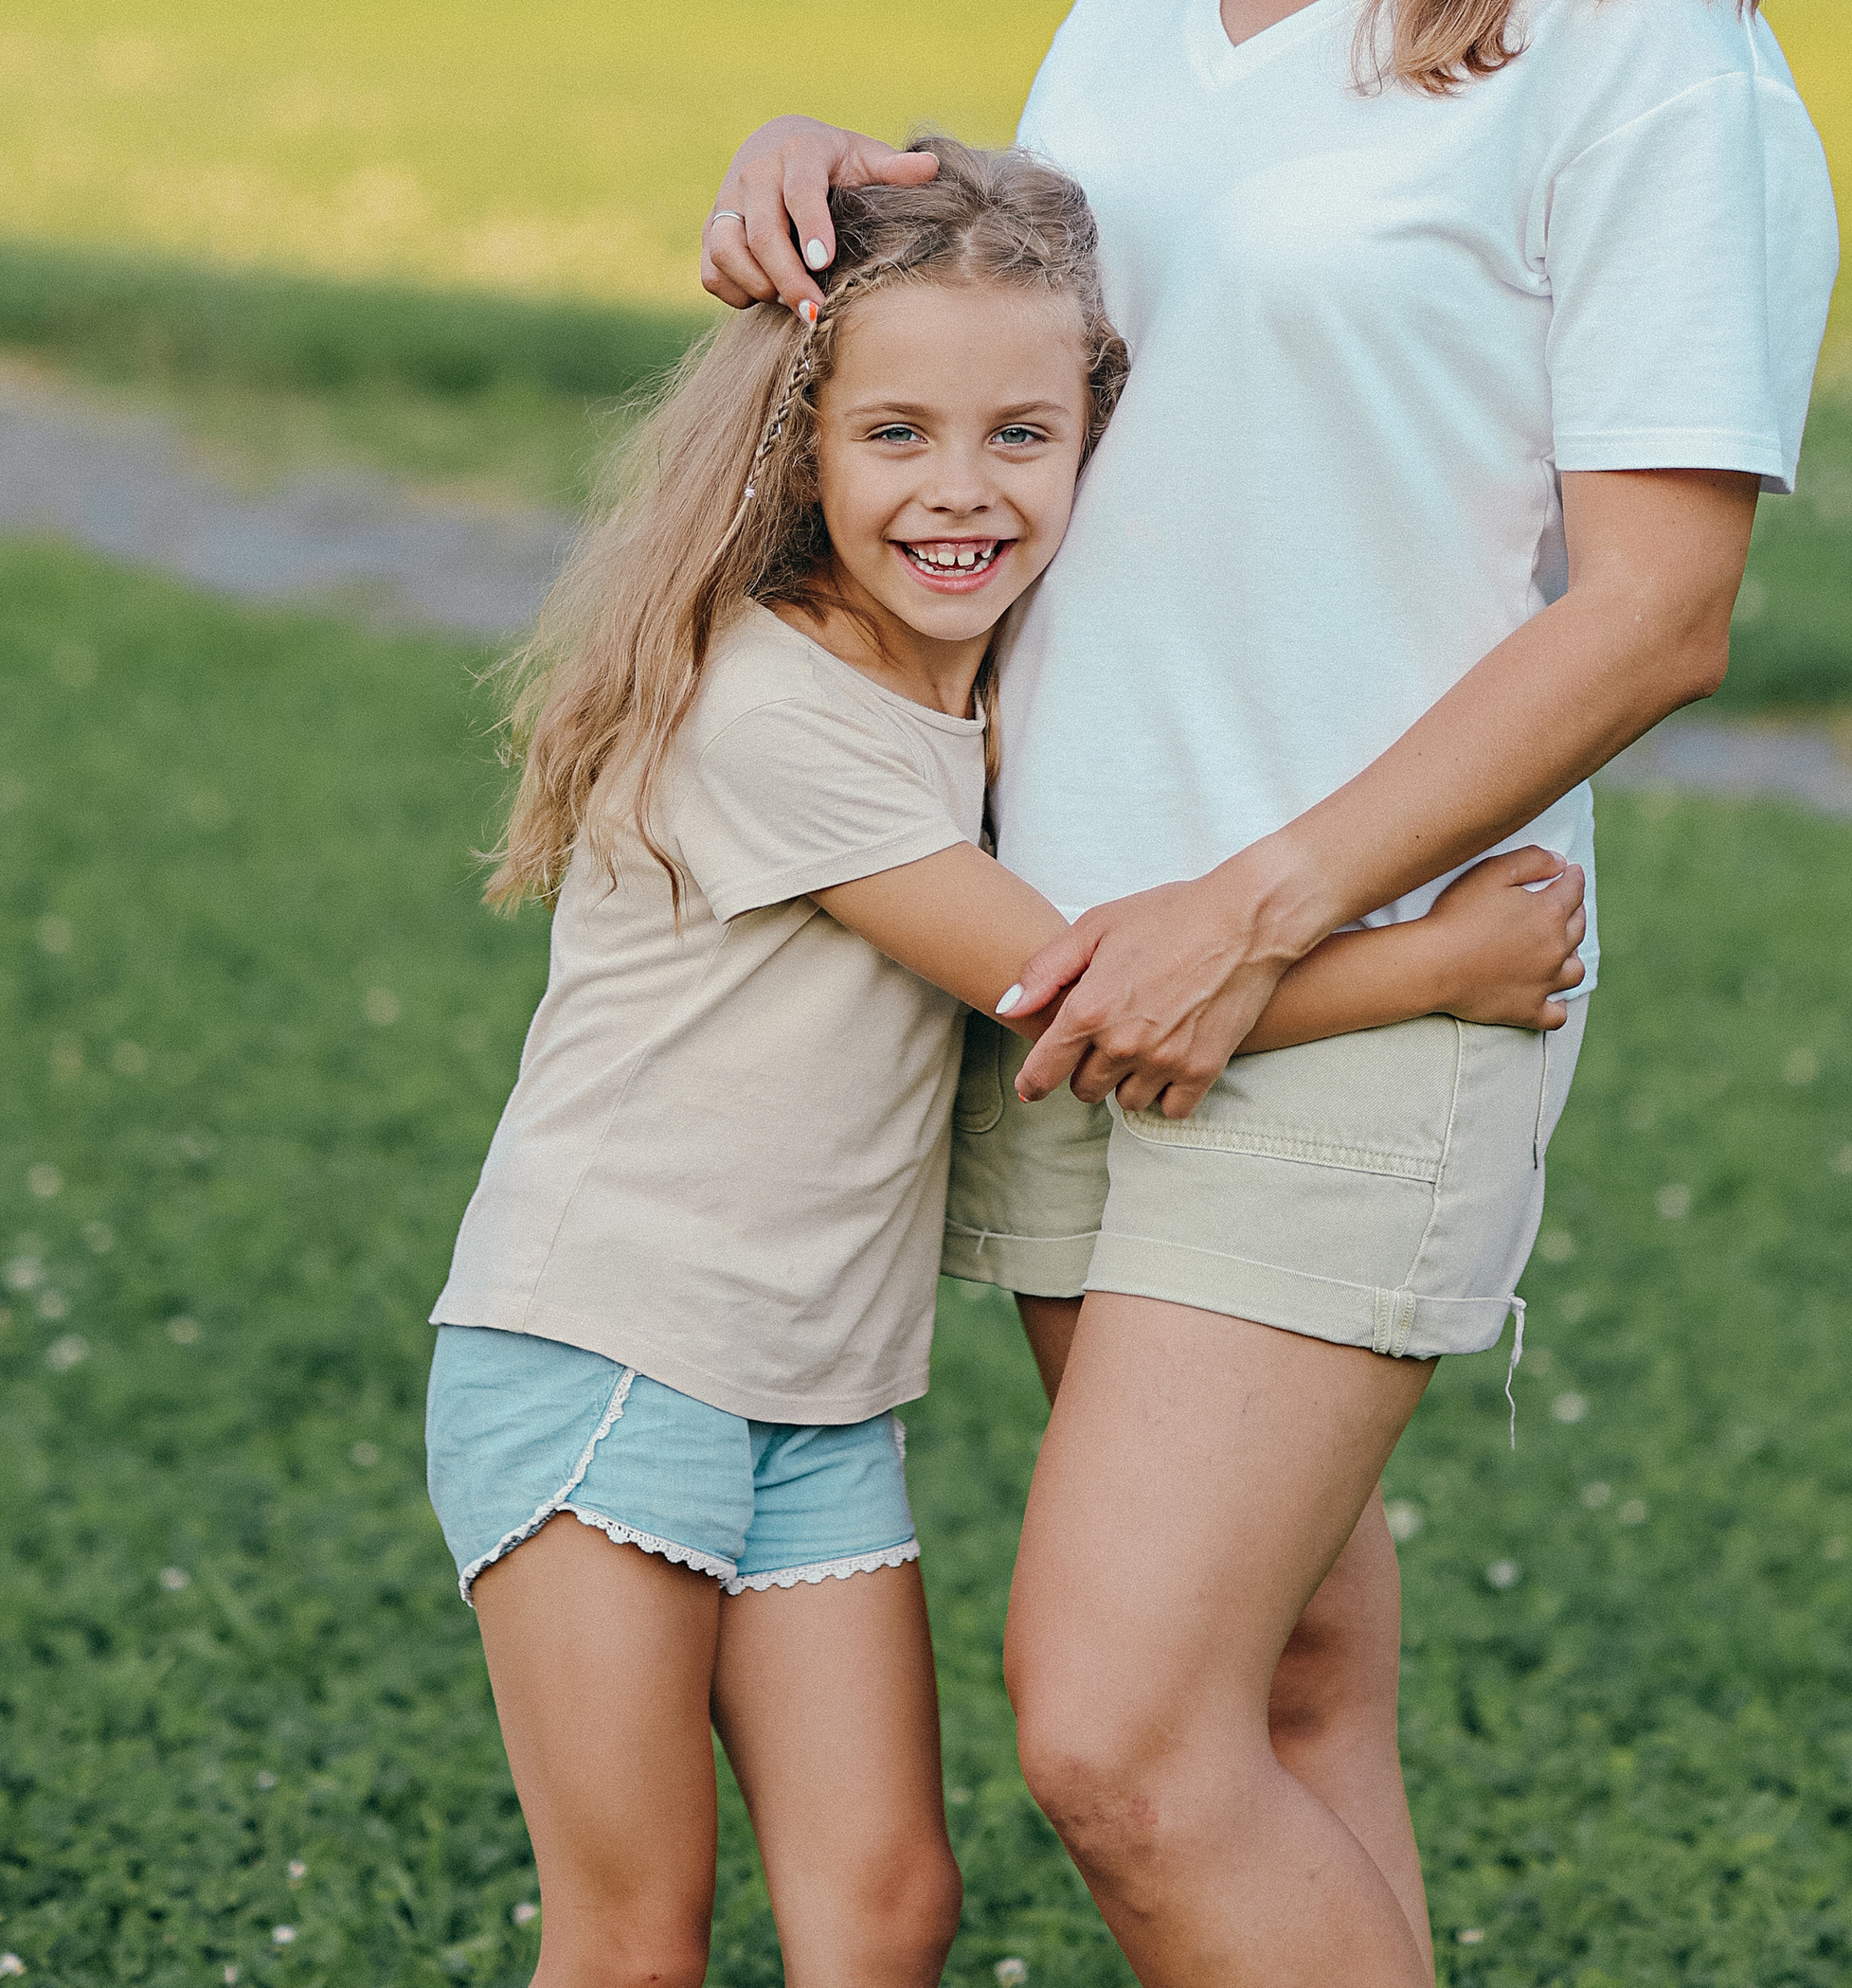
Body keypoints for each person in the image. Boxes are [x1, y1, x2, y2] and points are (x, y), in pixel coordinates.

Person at [699, 0, 1840, 1988]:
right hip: (1075, 960)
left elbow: (1664, 605)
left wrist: (1265, 902)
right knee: (1296, 1689)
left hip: (1340, 968)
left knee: (1115, 1728)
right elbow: (1066, 334)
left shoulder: (1646, 40)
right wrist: (830, 180)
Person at [427, 134, 1589, 1988]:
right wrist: (1434, 962)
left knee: (886, 1908)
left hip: (811, 1393)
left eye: (1017, 438)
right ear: (791, 444)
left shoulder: (970, 677)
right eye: (892, 434)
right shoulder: (766, 710)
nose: (958, 492)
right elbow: (1064, 1001)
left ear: (1090, 435)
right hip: (606, 1353)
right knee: (634, 1934)